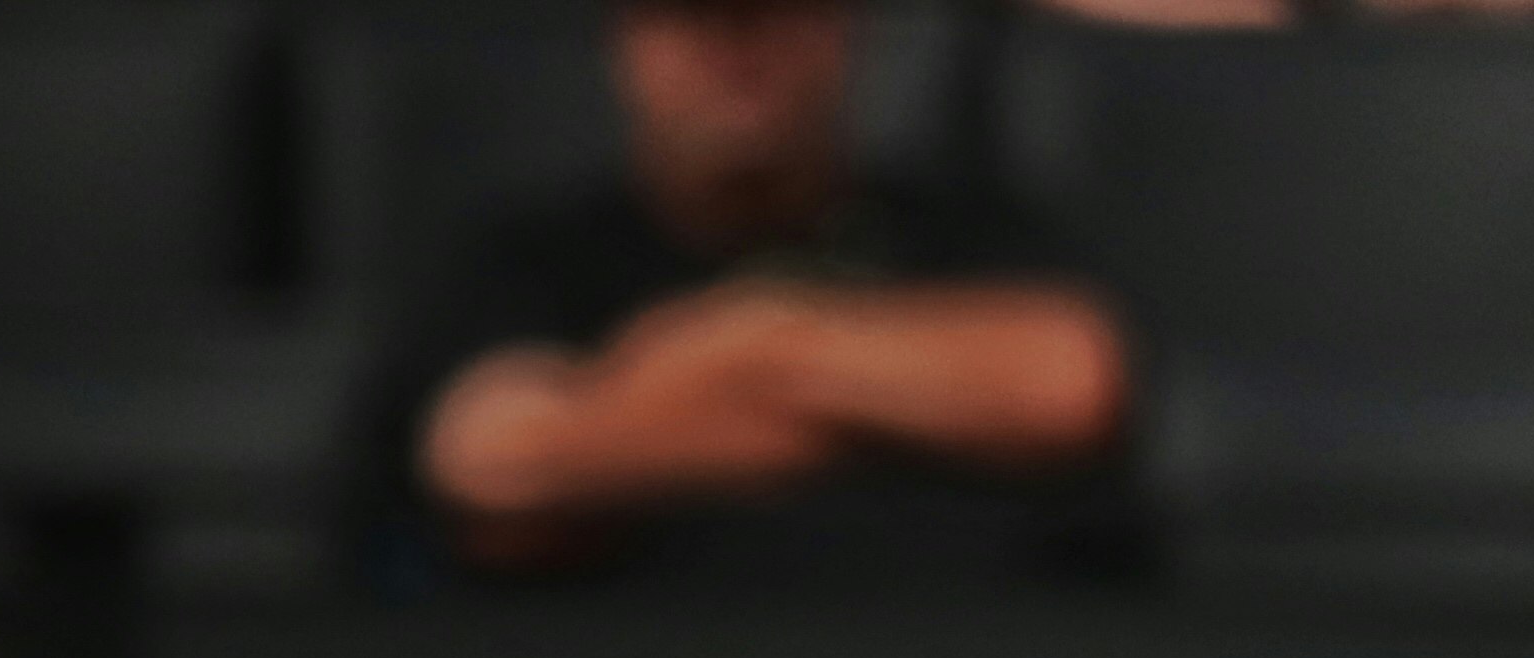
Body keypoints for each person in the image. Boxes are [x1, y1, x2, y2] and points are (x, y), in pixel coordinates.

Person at [350, 0, 1128, 590]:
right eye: (698, 14)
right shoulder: (527, 258)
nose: (736, 52)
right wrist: (882, 416)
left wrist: (749, 340)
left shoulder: (969, 232)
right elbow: (498, 465)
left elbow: (1069, 384)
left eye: (770, 13)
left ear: (843, 28)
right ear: (628, 39)